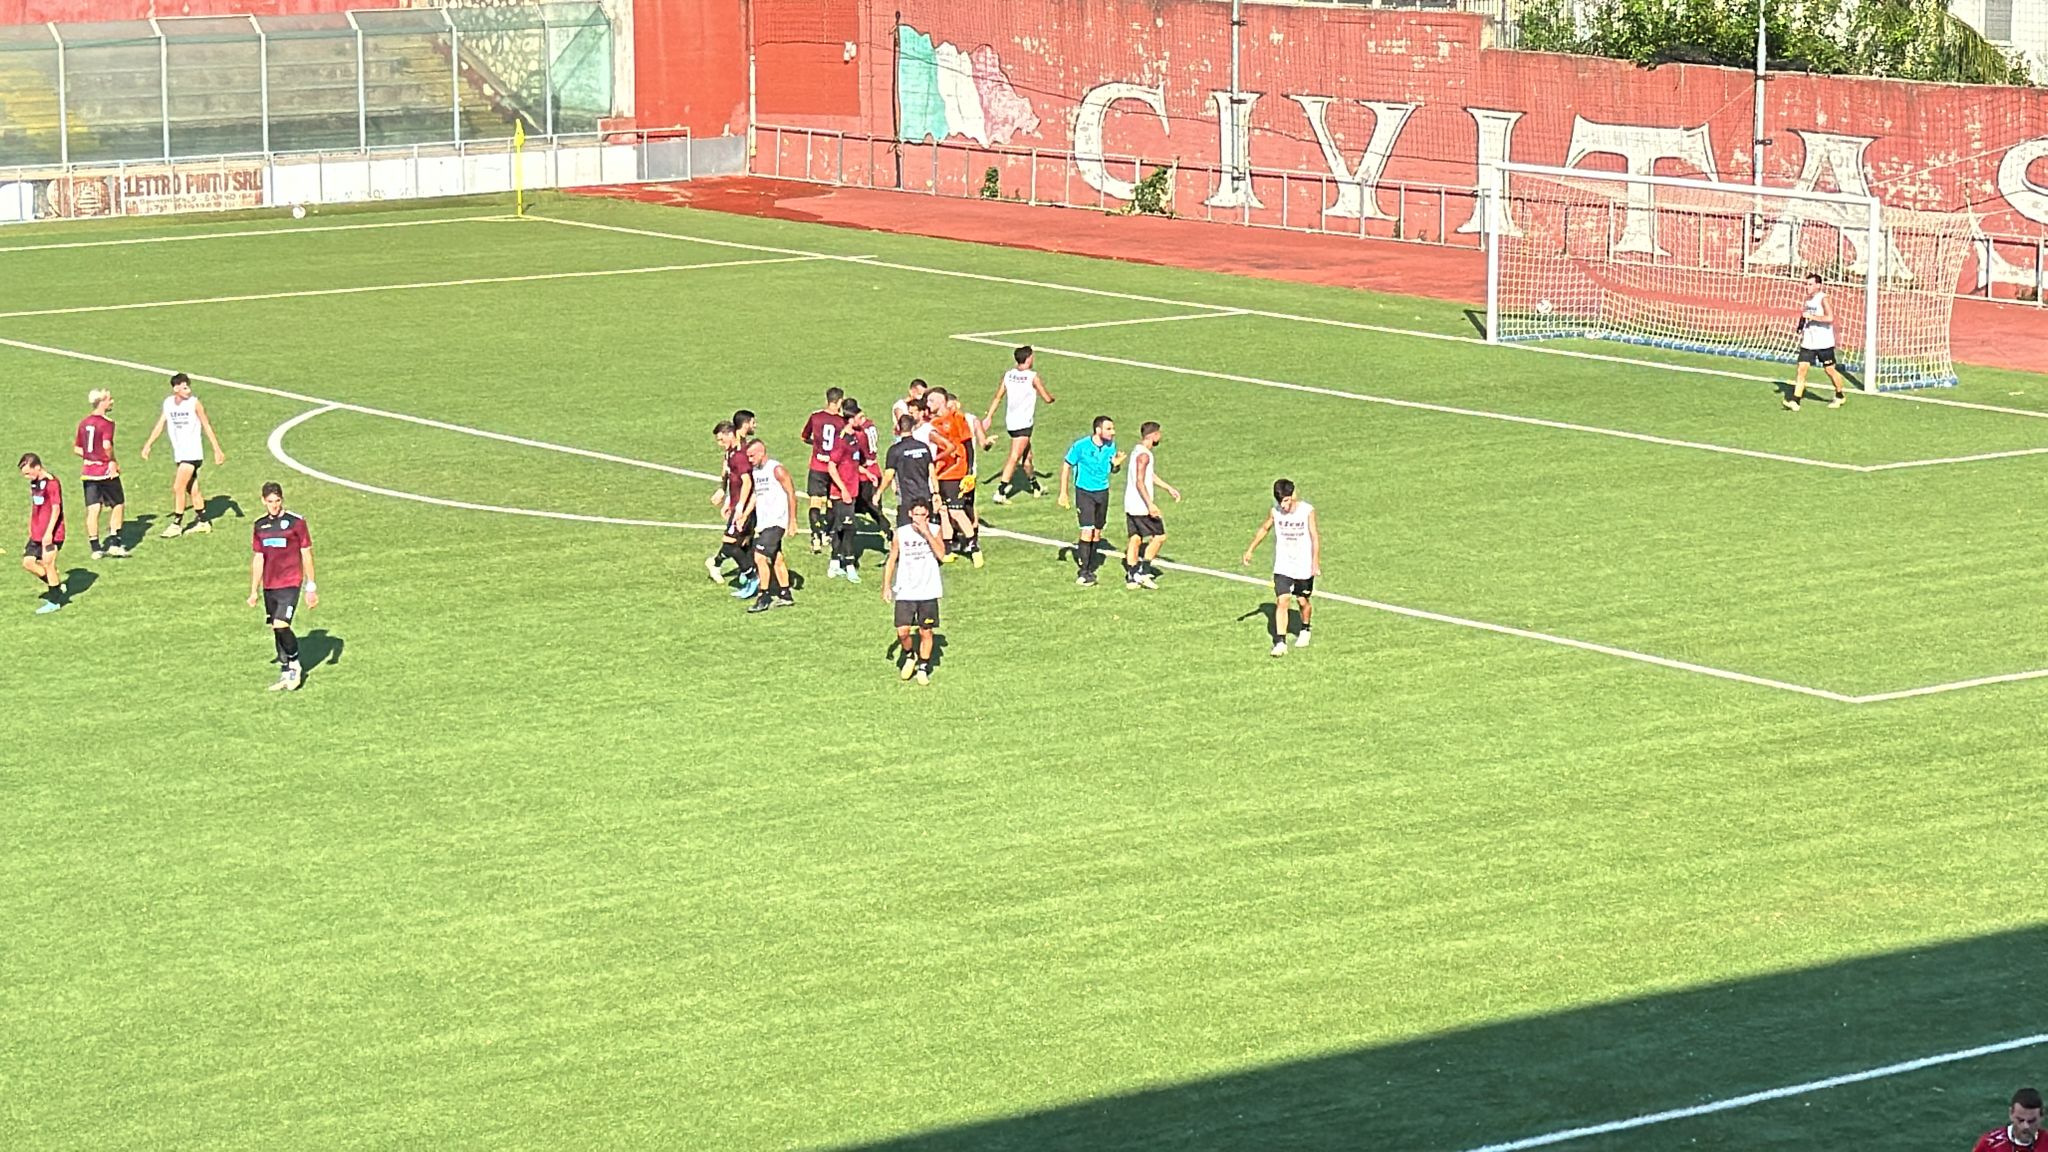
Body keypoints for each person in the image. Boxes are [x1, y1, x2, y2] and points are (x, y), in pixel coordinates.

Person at [247, 480, 317, 690]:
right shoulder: (260, 525)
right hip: (270, 585)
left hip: (290, 582)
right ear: (263, 501)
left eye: (277, 501)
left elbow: (306, 553)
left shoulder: (296, 522)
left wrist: (311, 586)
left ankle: (295, 664)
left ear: (282, 500)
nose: (274, 505)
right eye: (270, 501)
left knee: (281, 624)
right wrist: (253, 590)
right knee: (276, 629)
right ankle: (286, 673)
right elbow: (259, 558)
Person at [139, 372, 226, 537]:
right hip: (180, 453)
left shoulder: (194, 403)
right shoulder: (168, 404)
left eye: (188, 387)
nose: (188, 390)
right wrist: (148, 444)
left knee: (178, 486)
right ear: (176, 389)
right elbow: (160, 424)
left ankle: (177, 524)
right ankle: (203, 521)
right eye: (184, 388)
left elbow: (206, 425)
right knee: (192, 488)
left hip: (192, 453)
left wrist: (217, 449)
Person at [1241, 478, 1321, 657]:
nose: (1283, 506)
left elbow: (1314, 536)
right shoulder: (1275, 512)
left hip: (1303, 565)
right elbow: (1265, 528)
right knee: (1282, 600)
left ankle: (1305, 628)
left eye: (1286, 500)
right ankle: (1280, 642)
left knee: (1302, 601)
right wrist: (1250, 550)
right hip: (1283, 564)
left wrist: (1315, 562)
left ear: (1293, 495)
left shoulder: (1307, 511)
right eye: (1280, 501)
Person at [882, 502, 947, 684]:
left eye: (923, 515)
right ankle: (910, 655)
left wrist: (927, 533)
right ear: (910, 514)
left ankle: (923, 667)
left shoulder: (934, 530)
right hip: (906, 590)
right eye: (916, 514)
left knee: (926, 632)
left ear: (928, 515)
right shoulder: (901, 533)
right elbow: (892, 559)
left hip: (928, 590)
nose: (919, 518)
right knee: (902, 631)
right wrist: (886, 586)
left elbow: (941, 554)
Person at [984, 345, 1056, 504]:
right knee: (1014, 456)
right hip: (1023, 424)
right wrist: (1052, 398)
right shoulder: (1032, 377)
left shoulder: (1009, 375)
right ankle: (1000, 492)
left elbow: (998, 397)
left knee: (1028, 457)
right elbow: (1046, 398)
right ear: (1028, 359)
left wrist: (989, 416)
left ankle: (1036, 487)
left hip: (1011, 422)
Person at [1057, 416, 1123, 586]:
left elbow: (1112, 469)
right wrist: (1063, 492)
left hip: (1102, 491)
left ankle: (1090, 567)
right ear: (1098, 430)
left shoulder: (1111, 446)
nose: (1113, 432)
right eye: (1109, 429)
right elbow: (1067, 465)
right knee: (1087, 530)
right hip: (1084, 492)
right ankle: (1083, 572)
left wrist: (1116, 465)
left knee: (1097, 532)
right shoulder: (1080, 446)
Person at [740, 438, 799, 614]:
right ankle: (786, 594)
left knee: (759, 557)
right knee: (777, 558)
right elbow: (756, 495)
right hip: (764, 523)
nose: (749, 460)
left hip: (776, 521)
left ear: (761, 452)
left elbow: (791, 493)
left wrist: (792, 520)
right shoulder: (756, 471)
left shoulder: (776, 469)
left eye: (752, 456)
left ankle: (763, 596)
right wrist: (744, 515)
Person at [1120, 421, 1181, 590]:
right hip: (1141, 506)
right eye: (1158, 434)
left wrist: (1168, 488)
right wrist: (1150, 505)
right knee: (1160, 536)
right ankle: (1143, 571)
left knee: (1135, 538)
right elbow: (1140, 481)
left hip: (1130, 503)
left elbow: (1149, 474)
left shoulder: (1137, 451)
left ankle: (1132, 576)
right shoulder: (1144, 455)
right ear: (1153, 435)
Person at [703, 418, 759, 598]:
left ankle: (751, 576)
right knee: (741, 542)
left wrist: (740, 507)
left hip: (745, 506)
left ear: (730, 434)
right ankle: (748, 574)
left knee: (731, 543)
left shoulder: (740, 456)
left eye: (721, 439)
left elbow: (747, 482)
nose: (720, 444)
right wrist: (726, 496)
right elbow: (729, 475)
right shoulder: (730, 452)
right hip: (737, 503)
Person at [926, 388, 982, 566]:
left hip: (955, 472)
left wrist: (970, 471)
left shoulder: (957, 418)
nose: (928, 404)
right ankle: (948, 549)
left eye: (931, 401)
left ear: (941, 401)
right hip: (938, 473)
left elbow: (967, 444)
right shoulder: (931, 423)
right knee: (943, 511)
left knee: (956, 511)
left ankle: (974, 547)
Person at [74, 388, 130, 559]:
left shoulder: (84, 423)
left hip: (88, 472)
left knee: (93, 509)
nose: (112, 402)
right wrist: (111, 461)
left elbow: (77, 449)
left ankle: (96, 548)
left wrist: (91, 457)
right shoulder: (107, 423)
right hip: (104, 471)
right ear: (102, 402)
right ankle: (114, 543)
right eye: (109, 399)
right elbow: (106, 445)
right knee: (118, 504)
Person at [1785, 272, 1849, 411]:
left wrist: (1812, 317)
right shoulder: (1808, 300)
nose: (1807, 287)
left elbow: (1830, 318)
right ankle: (1795, 400)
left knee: (1830, 370)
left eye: (1810, 284)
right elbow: (1805, 315)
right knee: (1802, 369)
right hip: (1809, 341)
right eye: (1806, 284)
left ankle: (1839, 395)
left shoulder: (1823, 299)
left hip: (1823, 342)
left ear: (1818, 285)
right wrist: (1800, 327)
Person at [800, 387, 848, 553]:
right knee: (831, 501)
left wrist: (816, 445)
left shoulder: (815, 417)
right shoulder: (842, 421)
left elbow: (804, 437)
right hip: (834, 467)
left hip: (817, 465)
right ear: (840, 401)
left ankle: (815, 537)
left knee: (815, 501)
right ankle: (826, 533)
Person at [19, 452, 68, 614]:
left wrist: (49, 533)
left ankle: (55, 602)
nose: (27, 477)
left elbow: (56, 509)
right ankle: (56, 586)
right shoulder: (34, 483)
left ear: (38, 467)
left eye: (28, 473)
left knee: (48, 563)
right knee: (28, 563)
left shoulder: (52, 484)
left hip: (52, 534)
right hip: (37, 533)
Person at [825, 396, 865, 582]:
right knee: (848, 528)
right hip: (842, 493)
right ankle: (849, 565)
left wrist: (866, 472)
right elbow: (831, 467)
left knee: (840, 528)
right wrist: (843, 490)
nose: (862, 420)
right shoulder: (841, 441)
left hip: (852, 489)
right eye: (859, 417)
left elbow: (851, 463)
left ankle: (834, 564)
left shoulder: (854, 438)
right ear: (851, 419)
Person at [881, 413, 938, 527]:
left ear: (898, 427)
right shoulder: (923, 447)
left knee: (905, 530)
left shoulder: (895, 450)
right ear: (912, 427)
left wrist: (878, 493)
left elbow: (888, 476)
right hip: (925, 496)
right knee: (925, 527)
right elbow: (932, 473)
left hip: (906, 498)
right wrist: (936, 492)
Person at [846, 403, 892, 541]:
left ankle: (888, 531)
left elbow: (857, 454)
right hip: (875, 468)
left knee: (867, 506)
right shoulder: (870, 425)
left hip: (865, 472)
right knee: (873, 505)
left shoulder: (859, 434)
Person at [1974, 1088, 2044, 1152]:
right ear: (2011, 1113)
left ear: (2041, 1117)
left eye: (2031, 1121)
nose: (2026, 1126)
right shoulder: (1989, 1144)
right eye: (2020, 1120)